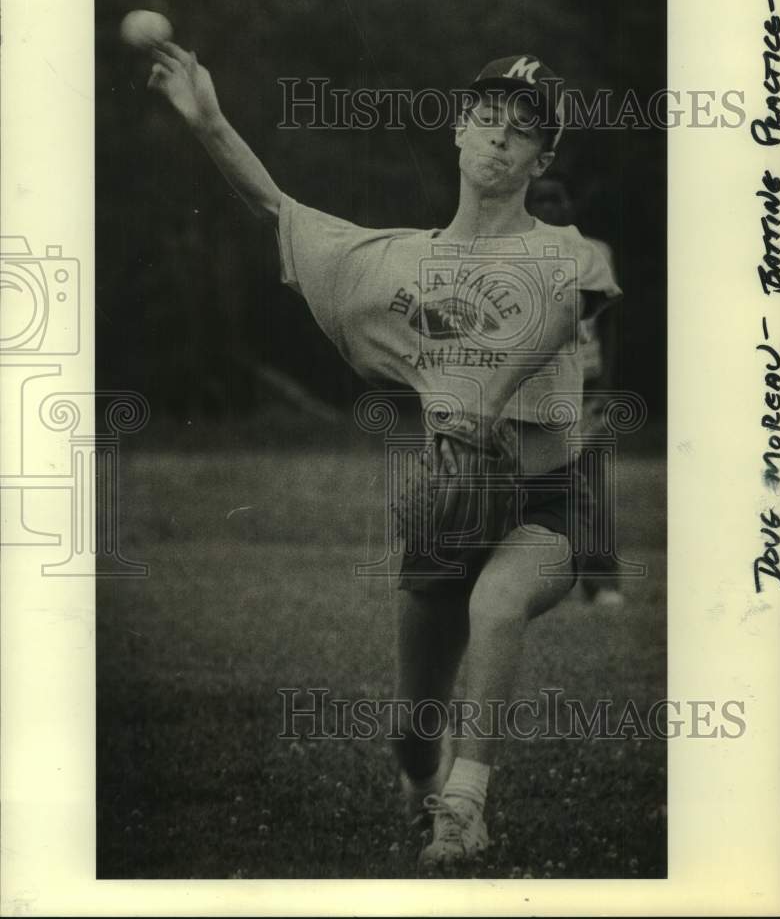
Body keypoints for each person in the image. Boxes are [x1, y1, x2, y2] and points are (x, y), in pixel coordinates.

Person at [147, 45, 622, 868]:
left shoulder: (563, 247)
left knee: (499, 604)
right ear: (457, 130)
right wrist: (210, 121)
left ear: (541, 158)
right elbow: (277, 208)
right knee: (410, 729)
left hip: (547, 498)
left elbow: (559, 307)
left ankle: (465, 811)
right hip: (448, 507)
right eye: (486, 117)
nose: (499, 138)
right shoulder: (398, 262)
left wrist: (485, 397)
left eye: (522, 130)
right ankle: (422, 783)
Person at [526, 174, 624, 606]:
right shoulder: (520, 252)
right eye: (540, 200)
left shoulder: (596, 253)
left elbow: (611, 325)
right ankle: (533, 578)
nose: (550, 207)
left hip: (586, 388)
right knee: (533, 485)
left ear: (569, 206)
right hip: (539, 390)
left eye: (556, 198)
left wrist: (607, 385)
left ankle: (602, 582)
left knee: (594, 485)